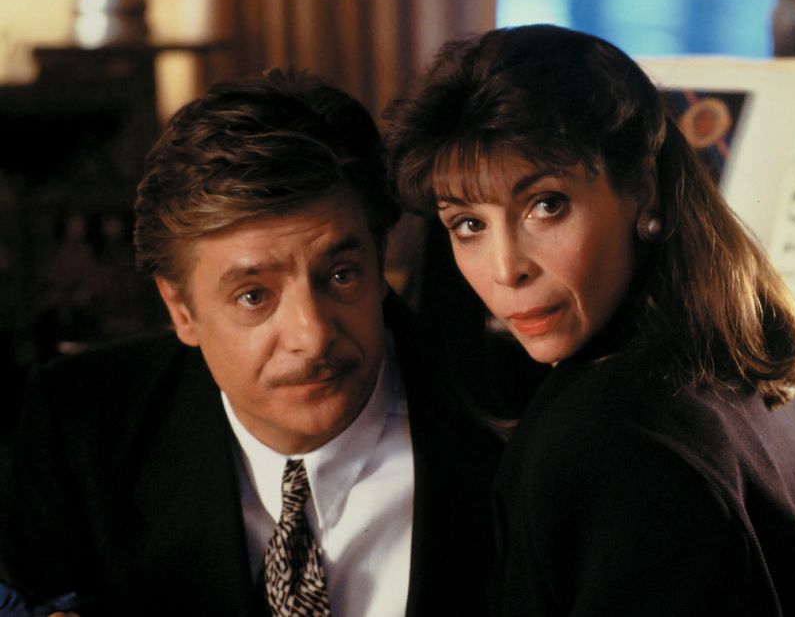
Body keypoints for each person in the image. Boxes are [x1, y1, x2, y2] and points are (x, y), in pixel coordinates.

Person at [385, 25, 795, 617]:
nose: (505, 269)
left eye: (547, 205)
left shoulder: (611, 440)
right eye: (469, 224)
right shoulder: (728, 357)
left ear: (642, 190)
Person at [2, 69, 503, 616]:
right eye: (253, 296)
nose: (313, 336)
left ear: (379, 259)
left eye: (341, 276)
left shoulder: (508, 426)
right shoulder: (82, 429)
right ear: (181, 309)